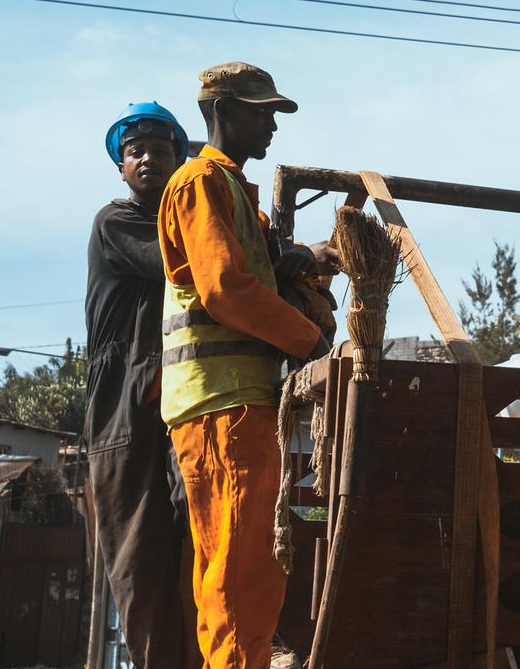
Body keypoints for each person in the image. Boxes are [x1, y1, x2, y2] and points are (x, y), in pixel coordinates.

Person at [158, 62, 338, 669]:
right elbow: (226, 288)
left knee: (239, 562)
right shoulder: (199, 182)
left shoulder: (229, 190)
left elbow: (255, 260)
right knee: (240, 569)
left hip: (231, 402)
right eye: (261, 112)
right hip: (222, 401)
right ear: (222, 111)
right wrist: (311, 341)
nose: (271, 125)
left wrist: (298, 258)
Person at [85, 101, 200, 669]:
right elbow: (182, 265)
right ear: (121, 167)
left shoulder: (184, 220)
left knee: (194, 526)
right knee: (138, 545)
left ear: (179, 158)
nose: (149, 159)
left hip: (176, 384)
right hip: (123, 400)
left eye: (161, 149)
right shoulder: (118, 221)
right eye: (136, 152)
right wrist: (282, 253)